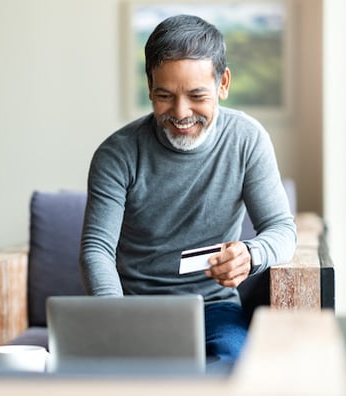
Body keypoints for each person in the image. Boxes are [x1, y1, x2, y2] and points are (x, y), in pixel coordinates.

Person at [79, 14, 297, 365]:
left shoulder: (247, 139)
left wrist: (251, 254)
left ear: (223, 83)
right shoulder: (117, 153)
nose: (181, 113)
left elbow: (283, 230)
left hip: (213, 309)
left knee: (232, 366)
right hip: (132, 310)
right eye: (164, 95)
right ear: (149, 87)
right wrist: (114, 319)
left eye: (197, 95)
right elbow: (97, 248)